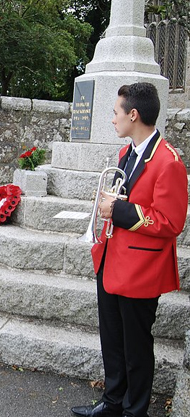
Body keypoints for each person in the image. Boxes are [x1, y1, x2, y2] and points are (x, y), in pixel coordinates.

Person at [71, 83, 188, 417]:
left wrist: (118, 210)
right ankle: (111, 403)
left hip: (140, 270)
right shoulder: (126, 154)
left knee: (136, 347)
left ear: (133, 115)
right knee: (113, 342)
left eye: (115, 113)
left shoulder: (168, 161)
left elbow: (170, 222)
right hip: (111, 260)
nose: (112, 120)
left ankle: (134, 411)